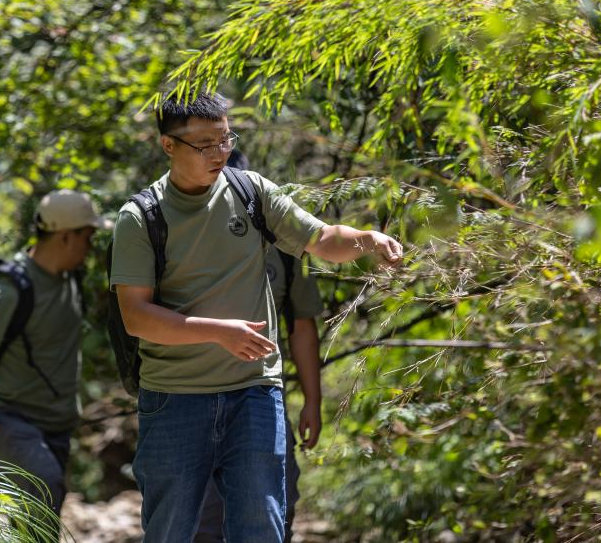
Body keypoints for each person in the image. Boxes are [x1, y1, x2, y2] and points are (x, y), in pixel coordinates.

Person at [111, 92, 402, 542]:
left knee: (262, 526)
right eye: (205, 144)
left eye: (226, 139)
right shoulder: (141, 218)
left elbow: (323, 238)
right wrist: (217, 332)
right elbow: (136, 317)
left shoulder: (251, 192)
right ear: (169, 145)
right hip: (174, 398)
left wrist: (368, 239)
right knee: (170, 531)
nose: (220, 153)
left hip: (254, 392)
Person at [0, 190, 113, 523]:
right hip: (13, 422)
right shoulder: (14, 286)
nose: (91, 245)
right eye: (88, 236)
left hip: (56, 426)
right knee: (44, 489)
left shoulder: (68, 279)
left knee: (38, 516)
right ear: (66, 237)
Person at [194, 150, 325, 543]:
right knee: (201, 523)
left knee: (272, 513)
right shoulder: (175, 233)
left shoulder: (282, 242)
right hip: (190, 399)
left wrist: (313, 403)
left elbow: (302, 325)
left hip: (261, 398)